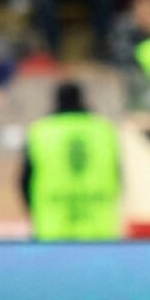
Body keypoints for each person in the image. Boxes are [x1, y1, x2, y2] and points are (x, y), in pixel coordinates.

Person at [21, 81, 122, 240]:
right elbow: (118, 174)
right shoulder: (104, 130)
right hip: (99, 230)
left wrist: (33, 212)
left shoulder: (41, 131)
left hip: (52, 228)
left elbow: (24, 179)